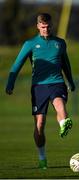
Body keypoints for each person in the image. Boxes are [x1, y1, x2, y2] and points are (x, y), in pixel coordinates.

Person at [6, 13, 75, 169]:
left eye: (48, 26)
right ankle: (42, 157)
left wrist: (70, 81)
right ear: (38, 26)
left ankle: (64, 123)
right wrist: (10, 83)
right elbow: (17, 64)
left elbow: (66, 64)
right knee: (40, 124)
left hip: (57, 81)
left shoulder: (60, 43)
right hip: (39, 86)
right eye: (43, 27)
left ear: (52, 25)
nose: (46, 29)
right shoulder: (30, 44)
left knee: (59, 103)